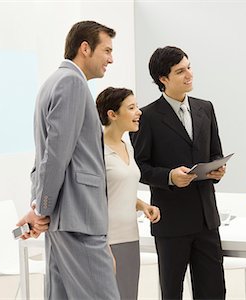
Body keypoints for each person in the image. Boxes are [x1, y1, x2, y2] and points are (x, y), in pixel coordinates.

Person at [16, 21, 120, 299]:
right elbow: (55, 156)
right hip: (79, 220)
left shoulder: (53, 83)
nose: (111, 58)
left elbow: (47, 156)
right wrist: (42, 210)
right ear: (85, 48)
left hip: (65, 219)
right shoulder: (72, 83)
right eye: (106, 50)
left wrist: (39, 204)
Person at [130, 46, 226, 299]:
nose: (189, 75)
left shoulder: (206, 108)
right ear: (163, 79)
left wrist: (218, 167)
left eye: (189, 67)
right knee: (172, 292)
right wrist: (170, 177)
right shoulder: (146, 117)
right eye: (180, 71)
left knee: (214, 292)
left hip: (207, 219)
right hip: (171, 221)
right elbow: (139, 167)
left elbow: (215, 152)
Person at [96, 87, 161, 300]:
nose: (139, 112)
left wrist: (143, 206)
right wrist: (102, 246)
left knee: (129, 295)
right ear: (112, 115)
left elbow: (119, 192)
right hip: (106, 239)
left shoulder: (128, 145)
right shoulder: (96, 150)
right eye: (131, 108)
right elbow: (92, 201)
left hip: (130, 237)